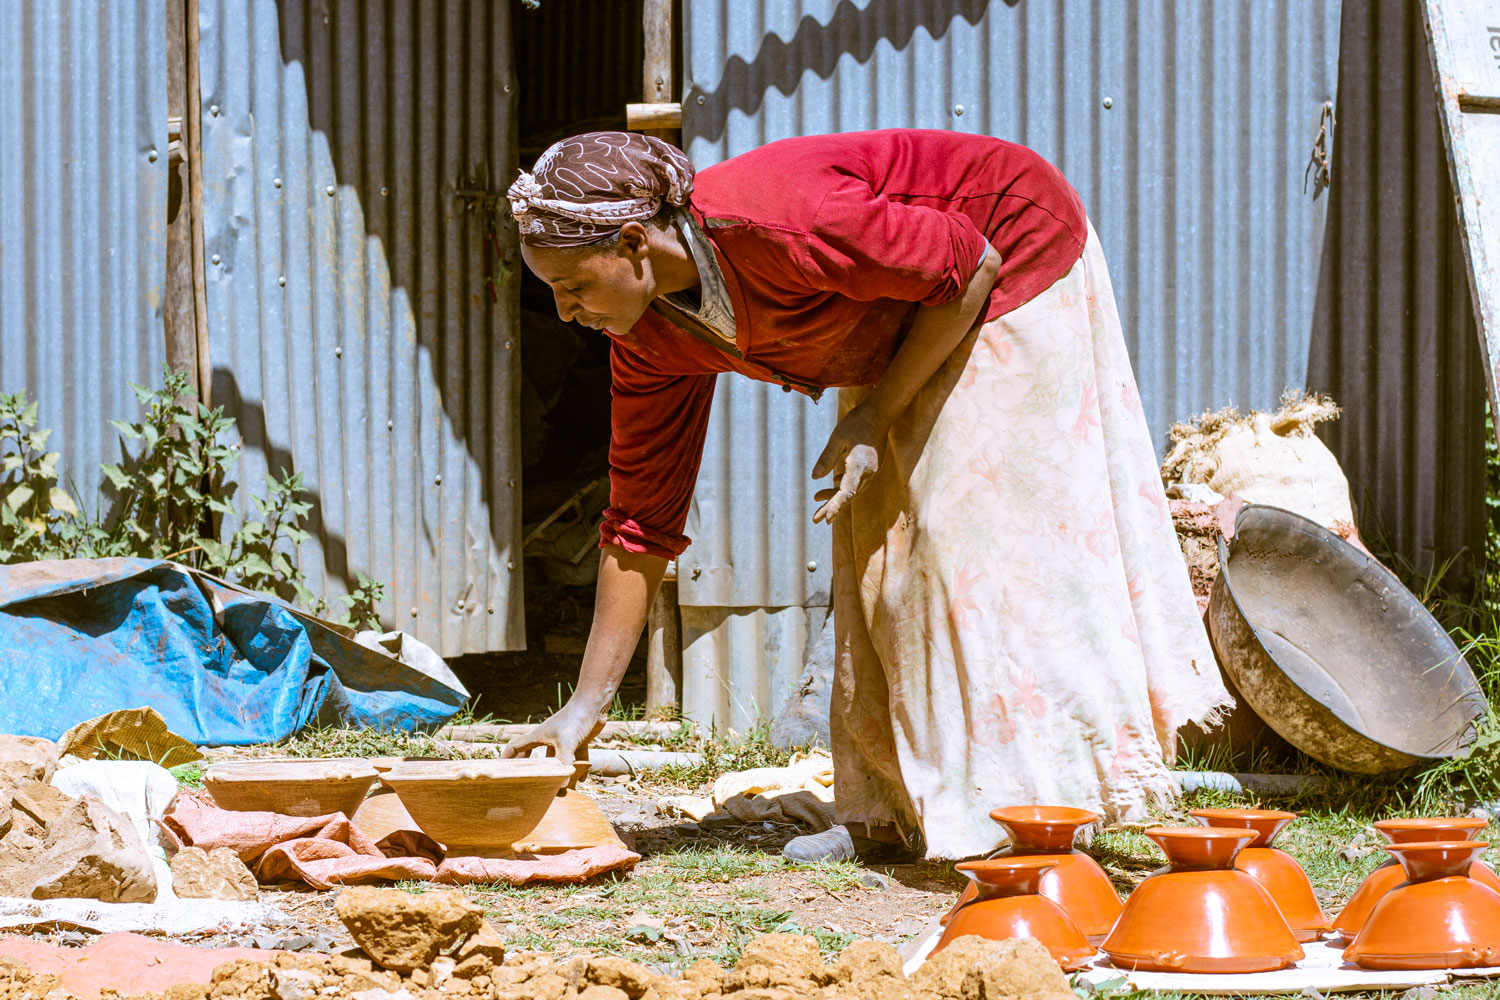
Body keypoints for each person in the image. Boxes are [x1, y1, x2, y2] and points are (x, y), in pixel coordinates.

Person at [501, 129, 1230, 862]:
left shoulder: (782, 222)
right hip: (903, 314)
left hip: (1010, 253)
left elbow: (970, 262)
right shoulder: (650, 339)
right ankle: (885, 813)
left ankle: (1032, 810)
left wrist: (875, 416)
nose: (566, 315)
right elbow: (640, 519)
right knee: (877, 555)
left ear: (633, 243)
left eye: (573, 288)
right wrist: (585, 706)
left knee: (958, 542)